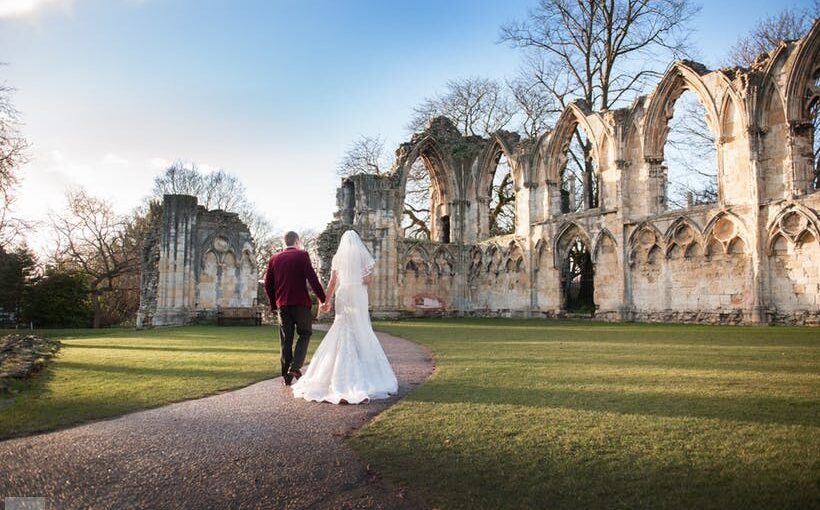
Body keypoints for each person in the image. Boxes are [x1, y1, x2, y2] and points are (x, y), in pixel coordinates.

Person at [291, 230, 397, 404]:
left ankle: (330, 375)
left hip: (343, 293)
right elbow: (367, 280)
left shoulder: (337, 258)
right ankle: (364, 372)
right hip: (357, 294)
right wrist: (356, 278)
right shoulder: (362, 257)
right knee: (360, 327)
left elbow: (333, 282)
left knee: (341, 325)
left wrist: (325, 301)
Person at [264, 231, 326, 386]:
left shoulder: (274, 259)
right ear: (297, 241)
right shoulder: (302, 255)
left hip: (282, 306)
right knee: (305, 333)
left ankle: (286, 376)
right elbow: (313, 279)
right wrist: (323, 299)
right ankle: (295, 367)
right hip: (301, 304)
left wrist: (274, 304)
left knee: (286, 340)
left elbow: (267, 285)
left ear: (285, 243)